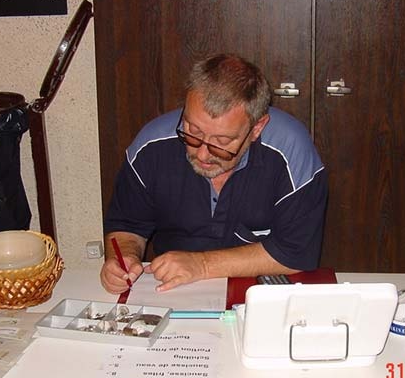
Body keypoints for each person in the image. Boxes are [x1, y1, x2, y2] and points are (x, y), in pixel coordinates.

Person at [101, 53, 328, 294]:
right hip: (172, 287)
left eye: (222, 141)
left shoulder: (292, 149)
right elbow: (127, 225)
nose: (202, 154)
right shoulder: (150, 146)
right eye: (193, 131)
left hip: (261, 288)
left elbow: (294, 252)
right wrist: (123, 257)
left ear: (257, 128)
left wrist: (202, 265)